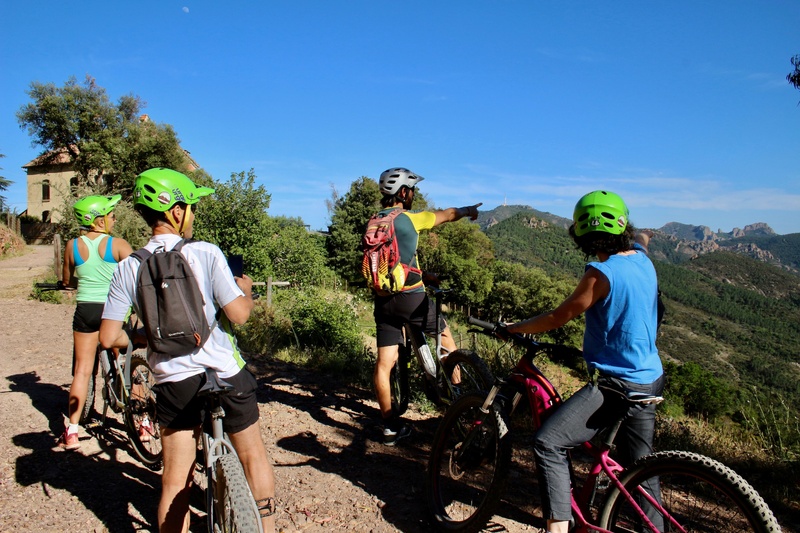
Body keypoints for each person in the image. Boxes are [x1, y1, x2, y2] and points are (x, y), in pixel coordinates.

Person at [99, 168, 276, 533]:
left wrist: (151, 338)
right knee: (252, 454)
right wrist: (246, 290)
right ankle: (267, 527)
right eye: (191, 205)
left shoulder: (126, 269)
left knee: (175, 479)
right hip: (225, 372)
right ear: (176, 211)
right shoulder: (207, 253)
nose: (194, 213)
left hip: (173, 383)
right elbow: (239, 316)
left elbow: (108, 337)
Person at [504, 190, 664, 533]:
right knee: (642, 472)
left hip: (616, 385)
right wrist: (646, 234)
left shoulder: (601, 273)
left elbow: (558, 317)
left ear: (584, 235)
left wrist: (513, 327)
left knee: (548, 442)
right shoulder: (641, 259)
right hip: (650, 379)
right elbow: (642, 241)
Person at [370, 167, 482, 445]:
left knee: (384, 364)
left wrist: (425, 274)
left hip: (384, 300)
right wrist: (469, 210)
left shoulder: (374, 221)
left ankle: (389, 427)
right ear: (404, 192)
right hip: (412, 298)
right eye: (412, 190)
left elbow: (393, 259)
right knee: (447, 339)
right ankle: (458, 403)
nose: (414, 195)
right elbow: (447, 215)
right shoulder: (410, 219)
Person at [58, 194, 133, 450]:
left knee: (81, 370)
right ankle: (144, 421)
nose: (114, 219)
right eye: (111, 215)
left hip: (86, 310)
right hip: (113, 312)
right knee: (127, 361)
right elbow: (138, 274)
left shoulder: (72, 245)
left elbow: (67, 280)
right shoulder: (118, 245)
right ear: (99, 220)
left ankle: (72, 431)